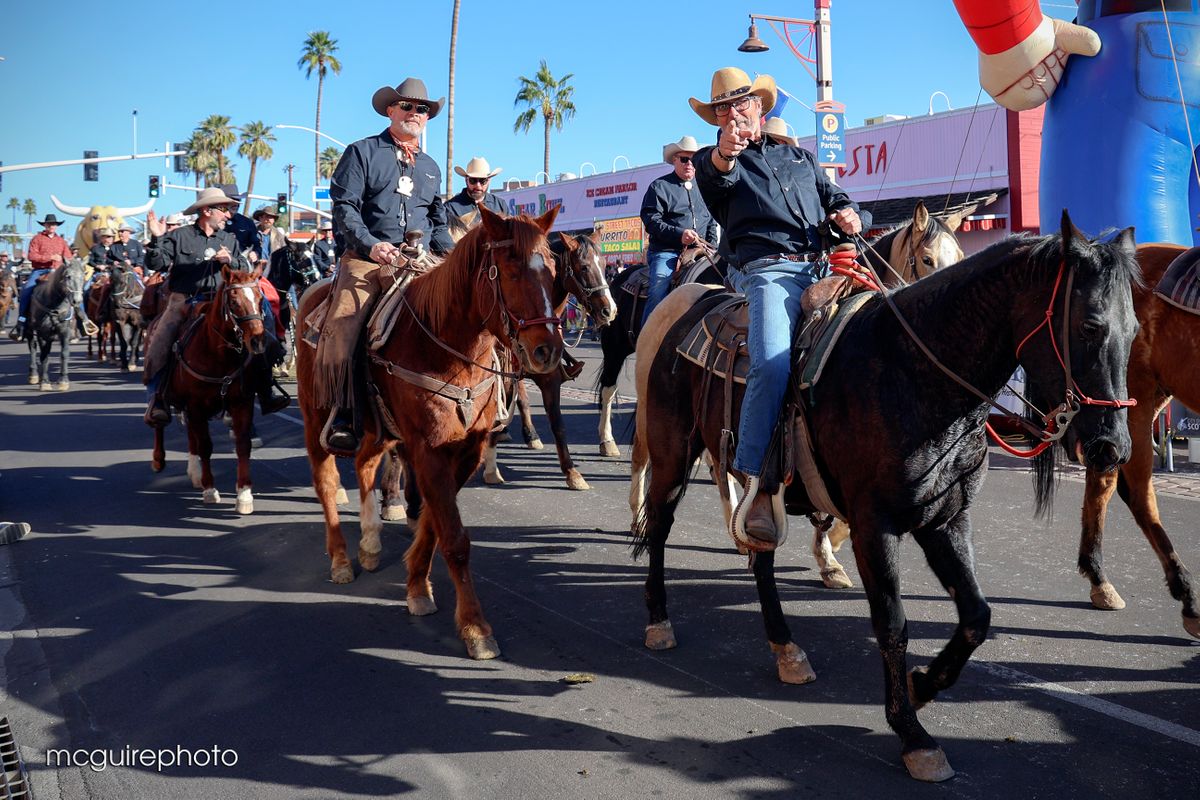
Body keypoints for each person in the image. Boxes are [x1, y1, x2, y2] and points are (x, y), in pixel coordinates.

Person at [690, 66, 863, 549]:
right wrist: (726, 150)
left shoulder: (802, 159)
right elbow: (718, 182)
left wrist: (852, 214)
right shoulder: (717, 161)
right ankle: (757, 482)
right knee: (771, 363)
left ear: (761, 108)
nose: (733, 113)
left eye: (740, 103)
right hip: (768, 272)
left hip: (826, 265)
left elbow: (841, 199)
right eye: (723, 108)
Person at [315, 76, 454, 455]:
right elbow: (345, 208)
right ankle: (343, 412)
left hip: (420, 261)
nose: (414, 113)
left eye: (421, 109)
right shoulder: (361, 152)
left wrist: (454, 258)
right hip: (367, 261)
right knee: (345, 325)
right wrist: (373, 246)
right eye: (406, 106)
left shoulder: (429, 167)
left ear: (427, 117)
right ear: (391, 110)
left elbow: (437, 222)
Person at [141, 187, 289, 426]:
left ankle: (266, 389)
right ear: (206, 211)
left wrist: (230, 259)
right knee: (161, 337)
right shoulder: (179, 236)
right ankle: (156, 398)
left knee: (262, 334)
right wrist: (157, 238)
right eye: (223, 210)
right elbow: (155, 262)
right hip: (184, 301)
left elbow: (244, 267)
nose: (228, 215)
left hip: (223, 302)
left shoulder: (228, 239)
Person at [639, 135, 720, 324]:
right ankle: (647, 336)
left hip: (701, 250)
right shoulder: (660, 186)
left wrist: (712, 246)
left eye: (694, 159)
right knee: (659, 286)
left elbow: (711, 221)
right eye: (684, 159)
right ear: (674, 160)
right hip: (666, 252)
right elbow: (651, 220)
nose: (690, 164)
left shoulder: (704, 188)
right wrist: (679, 235)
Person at [10, 214, 73, 340]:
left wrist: (67, 261)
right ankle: (21, 321)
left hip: (58, 272)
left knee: (74, 290)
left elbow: (69, 257)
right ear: (45, 225)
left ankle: (81, 321)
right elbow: (32, 256)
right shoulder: (37, 239)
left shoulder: (62, 241)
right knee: (26, 290)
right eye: (49, 224)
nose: (51, 226)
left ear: (56, 226)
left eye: (54, 224)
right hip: (40, 270)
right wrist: (49, 257)